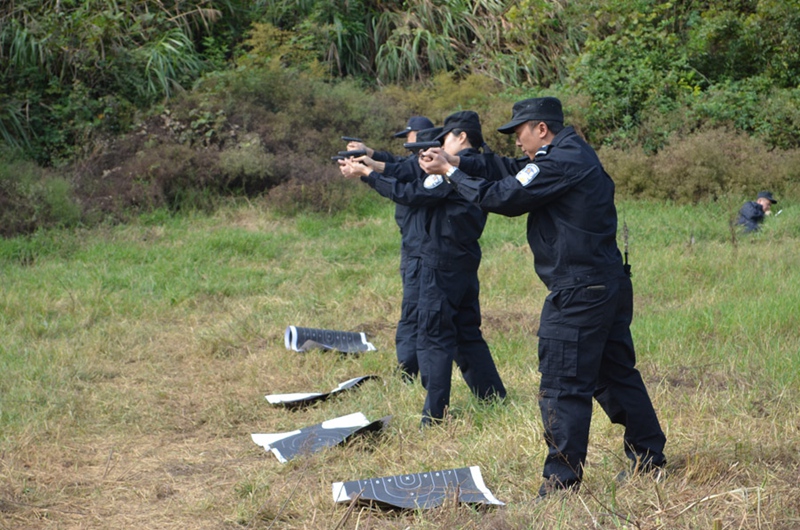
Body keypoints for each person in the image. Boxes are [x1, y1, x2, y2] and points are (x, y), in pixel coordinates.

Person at [419, 97, 666, 497]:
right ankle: (650, 458)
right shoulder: (565, 153)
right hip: (602, 284)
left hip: (580, 291)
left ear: (541, 128)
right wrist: (461, 163)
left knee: (562, 383)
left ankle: (561, 486)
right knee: (616, 375)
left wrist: (449, 171)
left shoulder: (562, 161)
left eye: (518, 132)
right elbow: (511, 170)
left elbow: (506, 197)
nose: (516, 141)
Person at [343, 112, 506, 426]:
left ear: (460, 137)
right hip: (461, 259)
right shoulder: (475, 165)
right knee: (465, 333)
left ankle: (434, 415)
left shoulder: (454, 169)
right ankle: (492, 396)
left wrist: (367, 175)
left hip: (440, 261)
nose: (439, 145)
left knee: (434, 336)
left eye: (444, 138)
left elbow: (412, 194)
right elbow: (407, 170)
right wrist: (370, 164)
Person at [339, 116, 434, 380]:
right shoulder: (419, 162)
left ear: (422, 135)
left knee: (413, 313)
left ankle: (408, 372)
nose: (406, 141)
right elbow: (395, 163)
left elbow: (398, 174)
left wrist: (366, 171)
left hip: (420, 249)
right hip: (414, 245)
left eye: (410, 136)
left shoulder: (427, 164)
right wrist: (366, 155)